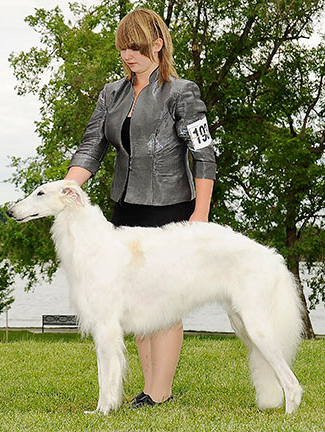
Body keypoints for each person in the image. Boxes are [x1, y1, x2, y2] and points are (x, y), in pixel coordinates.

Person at [65, 9, 216, 407]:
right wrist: (64, 190)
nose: (128, 55)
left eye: (136, 47)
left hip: (171, 210)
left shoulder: (181, 92)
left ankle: (159, 392)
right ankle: (147, 388)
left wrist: (200, 216)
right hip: (125, 211)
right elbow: (90, 149)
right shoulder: (110, 94)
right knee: (137, 303)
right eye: (123, 49)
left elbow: (203, 153)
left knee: (165, 305)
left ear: (158, 44)